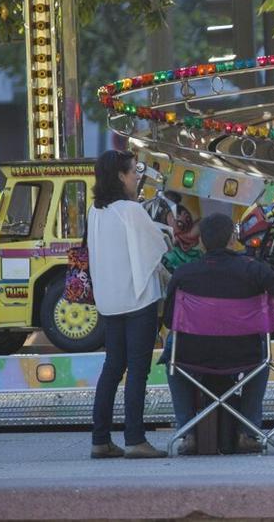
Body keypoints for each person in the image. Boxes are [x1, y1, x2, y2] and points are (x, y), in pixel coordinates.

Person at [162, 213, 274, 455]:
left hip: (192, 355)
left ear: (202, 242)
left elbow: (169, 318)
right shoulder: (254, 270)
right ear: (232, 239)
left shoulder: (183, 274)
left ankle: (188, 433)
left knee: (172, 354)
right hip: (243, 353)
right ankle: (247, 431)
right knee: (262, 358)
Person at [87, 149, 169, 459]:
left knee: (111, 369)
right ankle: (135, 439)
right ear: (121, 176)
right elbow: (156, 249)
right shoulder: (131, 210)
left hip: (109, 301)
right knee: (137, 371)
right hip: (137, 299)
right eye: (134, 170)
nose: (138, 175)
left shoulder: (96, 211)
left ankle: (100, 439)